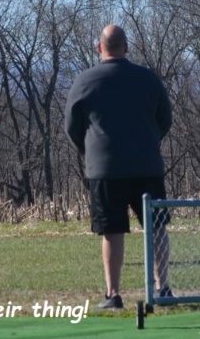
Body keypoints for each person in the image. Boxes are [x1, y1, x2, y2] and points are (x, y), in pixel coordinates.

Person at [64, 23, 173, 310]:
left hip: (105, 170)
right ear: (126, 47)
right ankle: (163, 289)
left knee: (112, 231)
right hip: (147, 165)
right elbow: (165, 120)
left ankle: (113, 294)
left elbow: (72, 127)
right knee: (157, 227)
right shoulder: (148, 79)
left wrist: (91, 150)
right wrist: (149, 142)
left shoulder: (85, 81)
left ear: (99, 48)